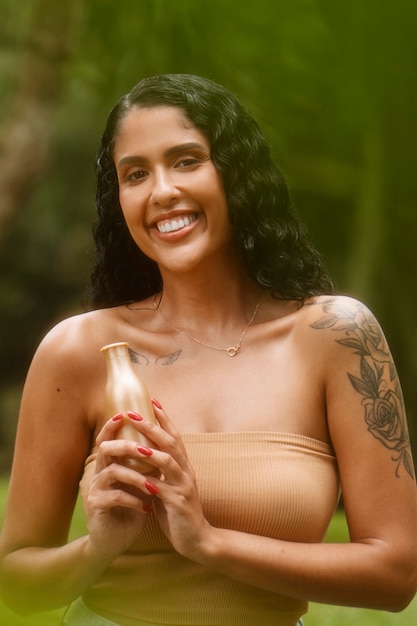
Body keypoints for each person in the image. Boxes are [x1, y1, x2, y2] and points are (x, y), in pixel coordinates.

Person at [0, 73, 416, 626]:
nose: (161, 190)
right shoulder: (80, 350)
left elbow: (396, 575)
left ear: (238, 175)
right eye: (136, 174)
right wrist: (96, 547)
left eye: (187, 160)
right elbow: (18, 586)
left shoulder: (336, 337)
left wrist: (207, 541)